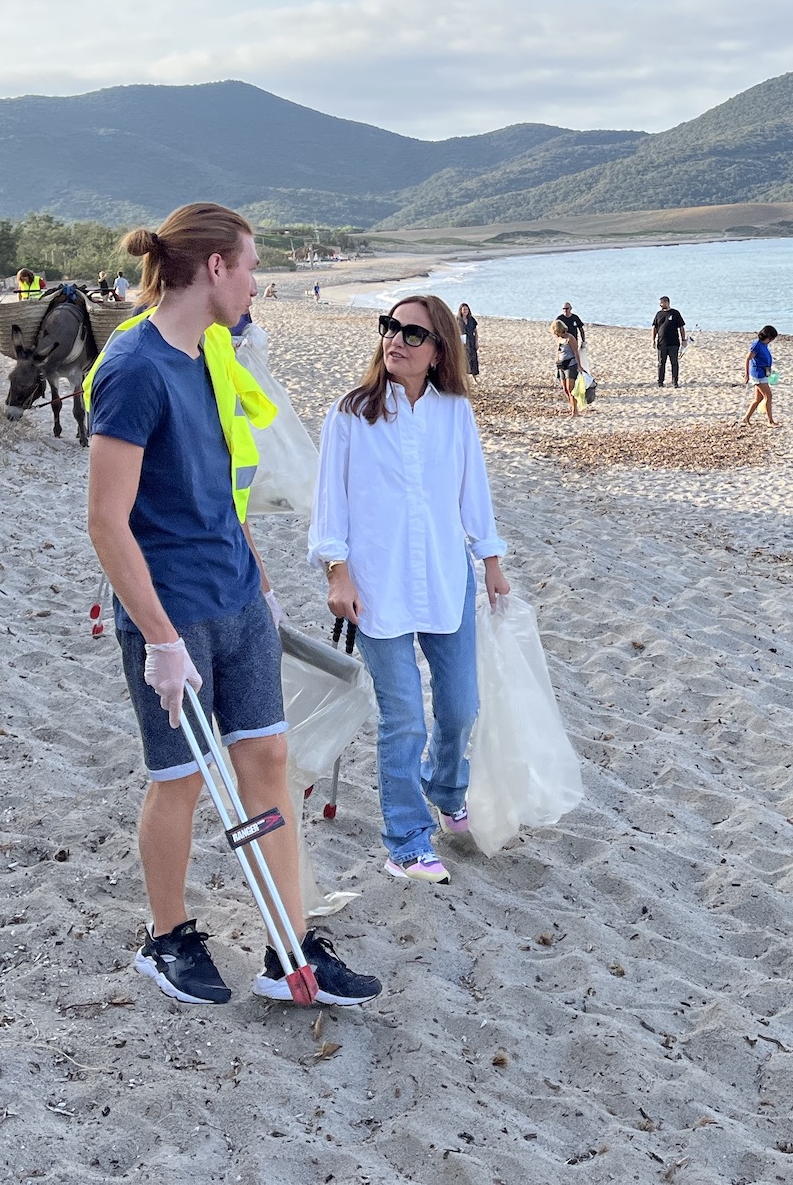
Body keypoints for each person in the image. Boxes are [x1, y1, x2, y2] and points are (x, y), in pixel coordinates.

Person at [84, 203, 381, 1008]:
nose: (257, 283)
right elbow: (107, 521)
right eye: (250, 266)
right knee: (180, 775)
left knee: (268, 759)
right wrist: (158, 638)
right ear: (215, 267)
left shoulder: (215, 351)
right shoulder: (134, 368)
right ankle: (167, 936)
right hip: (171, 607)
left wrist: (257, 573)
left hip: (239, 595)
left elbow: (226, 480)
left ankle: (287, 949)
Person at [310, 295, 511, 884]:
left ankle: (444, 787)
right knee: (404, 720)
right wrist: (336, 572)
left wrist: (491, 561)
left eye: (412, 334)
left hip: (447, 580)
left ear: (439, 350)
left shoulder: (454, 413)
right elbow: (329, 506)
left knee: (459, 707)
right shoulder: (350, 414)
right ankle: (405, 839)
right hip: (376, 588)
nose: (395, 339)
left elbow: (473, 491)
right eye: (390, 327)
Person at [741, 325, 779, 426]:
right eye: (771, 339)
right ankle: (770, 421)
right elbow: (747, 359)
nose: (771, 341)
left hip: (763, 373)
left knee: (758, 399)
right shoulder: (756, 345)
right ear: (768, 337)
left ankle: (746, 418)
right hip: (758, 374)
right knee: (768, 396)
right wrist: (747, 375)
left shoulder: (764, 344)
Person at [651, 296, 686, 387]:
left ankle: (675, 382)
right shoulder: (658, 314)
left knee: (674, 362)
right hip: (661, 343)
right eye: (660, 303)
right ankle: (660, 382)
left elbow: (681, 327)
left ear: (667, 302)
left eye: (662, 303)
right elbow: (654, 327)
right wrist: (653, 340)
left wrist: (683, 339)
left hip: (673, 343)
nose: (660, 304)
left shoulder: (675, 313)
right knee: (661, 363)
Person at [554, 320, 584, 416]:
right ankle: (572, 407)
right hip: (561, 365)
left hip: (571, 364)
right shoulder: (559, 339)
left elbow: (575, 352)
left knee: (570, 389)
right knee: (565, 390)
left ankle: (575, 411)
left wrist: (579, 365)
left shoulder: (570, 338)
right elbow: (558, 351)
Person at [457, 303, 481, 378]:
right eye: (463, 309)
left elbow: (476, 332)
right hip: (462, 342)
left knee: (473, 358)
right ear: (461, 310)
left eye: (466, 309)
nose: (465, 311)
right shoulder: (457, 320)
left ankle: (474, 376)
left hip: (471, 341)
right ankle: (463, 376)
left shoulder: (471, 319)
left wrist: (476, 342)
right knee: (464, 359)